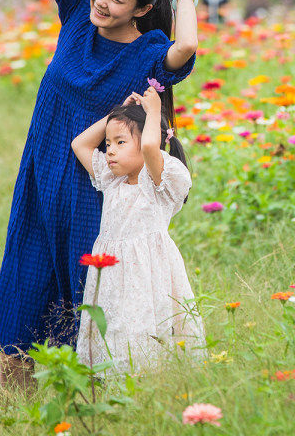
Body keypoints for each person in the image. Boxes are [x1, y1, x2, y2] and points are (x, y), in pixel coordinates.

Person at [0, 0, 200, 392]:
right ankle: (15, 411)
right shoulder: (77, 16)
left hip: (95, 192)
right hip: (42, 177)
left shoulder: (150, 53)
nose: (101, 1)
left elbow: (188, 46)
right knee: (24, 285)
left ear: (144, 8)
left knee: (85, 298)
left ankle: (83, 404)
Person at [72, 85, 206, 375]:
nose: (109, 151)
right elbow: (80, 144)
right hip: (111, 276)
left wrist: (155, 112)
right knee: (114, 330)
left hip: (146, 274)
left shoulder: (158, 181)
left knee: (142, 329)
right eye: (108, 144)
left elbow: (148, 148)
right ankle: (114, 385)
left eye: (120, 143)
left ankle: (148, 384)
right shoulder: (112, 180)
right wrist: (115, 115)